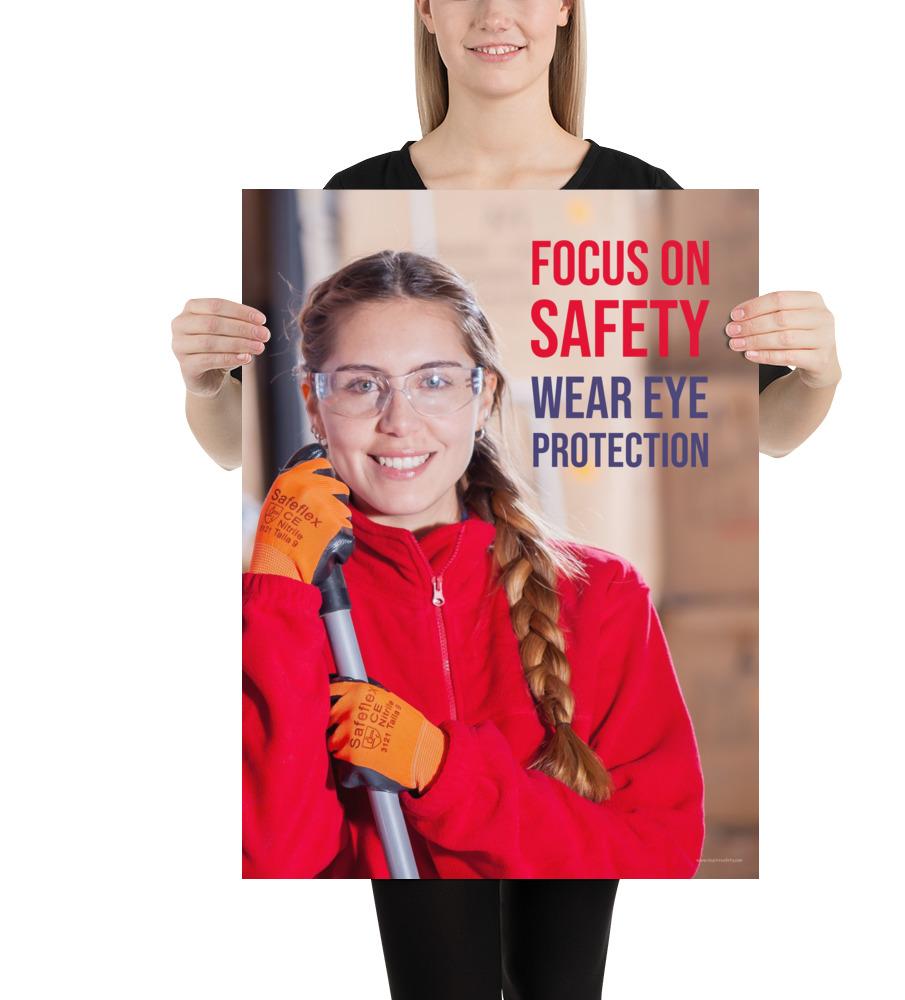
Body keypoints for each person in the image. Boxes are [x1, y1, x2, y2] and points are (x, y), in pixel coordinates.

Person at [243, 251, 705, 995]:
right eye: (362, 386)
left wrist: (442, 770)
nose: (400, 421)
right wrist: (273, 598)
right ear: (312, 402)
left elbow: (659, 852)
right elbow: (273, 863)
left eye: (434, 382)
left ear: (483, 395)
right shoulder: (278, 610)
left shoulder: (601, 596)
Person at [173, 0, 840, 472]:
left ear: (564, 6)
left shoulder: (645, 200)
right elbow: (243, 446)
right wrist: (206, 384)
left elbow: (765, 431)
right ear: (427, 8)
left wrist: (817, 375)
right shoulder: (354, 199)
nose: (494, 13)